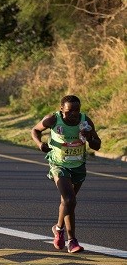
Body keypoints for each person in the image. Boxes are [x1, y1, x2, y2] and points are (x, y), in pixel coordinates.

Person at [31, 95, 101, 254]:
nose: (74, 114)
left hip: (78, 166)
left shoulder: (85, 121)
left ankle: (58, 228)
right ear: (62, 109)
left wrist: (89, 138)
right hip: (59, 165)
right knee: (70, 199)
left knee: (68, 203)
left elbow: (97, 146)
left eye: (77, 110)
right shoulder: (53, 120)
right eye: (70, 111)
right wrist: (40, 144)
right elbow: (35, 130)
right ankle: (72, 240)